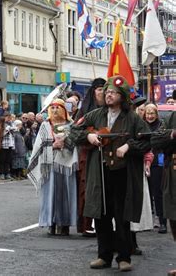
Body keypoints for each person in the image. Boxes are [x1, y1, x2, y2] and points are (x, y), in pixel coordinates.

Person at [69, 76, 150, 272]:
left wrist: (129, 146)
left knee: (122, 216)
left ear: (122, 96)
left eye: (112, 92)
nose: (108, 95)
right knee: (101, 214)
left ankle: (124, 257)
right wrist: (88, 135)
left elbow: (147, 141)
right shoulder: (95, 115)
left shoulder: (133, 118)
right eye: (107, 92)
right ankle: (103, 255)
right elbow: (73, 131)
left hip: (123, 173)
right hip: (100, 171)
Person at [29, 98, 78, 237]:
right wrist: (52, 144)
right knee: (50, 194)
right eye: (53, 107)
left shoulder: (71, 124)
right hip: (49, 164)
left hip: (66, 163)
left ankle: (64, 225)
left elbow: (76, 143)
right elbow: (38, 145)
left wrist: (65, 142)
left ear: (63, 109)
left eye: (58, 107)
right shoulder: (45, 125)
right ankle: (50, 223)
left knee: (66, 194)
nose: (55, 110)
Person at [75, 77, 106, 237]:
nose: (102, 93)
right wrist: (89, 135)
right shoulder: (85, 111)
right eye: (99, 89)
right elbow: (75, 130)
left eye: (104, 89)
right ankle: (87, 224)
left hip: (107, 154)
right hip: (88, 154)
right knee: (87, 190)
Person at [151, 108, 176, 276]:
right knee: (174, 219)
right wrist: (172, 134)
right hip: (173, 173)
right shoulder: (172, 117)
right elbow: (155, 139)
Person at [144, 103, 167, 233]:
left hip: (157, 162)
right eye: (148, 113)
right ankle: (147, 221)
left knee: (158, 193)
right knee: (146, 193)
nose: (150, 116)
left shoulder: (161, 125)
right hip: (143, 161)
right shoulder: (141, 124)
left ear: (156, 114)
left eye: (152, 113)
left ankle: (162, 221)